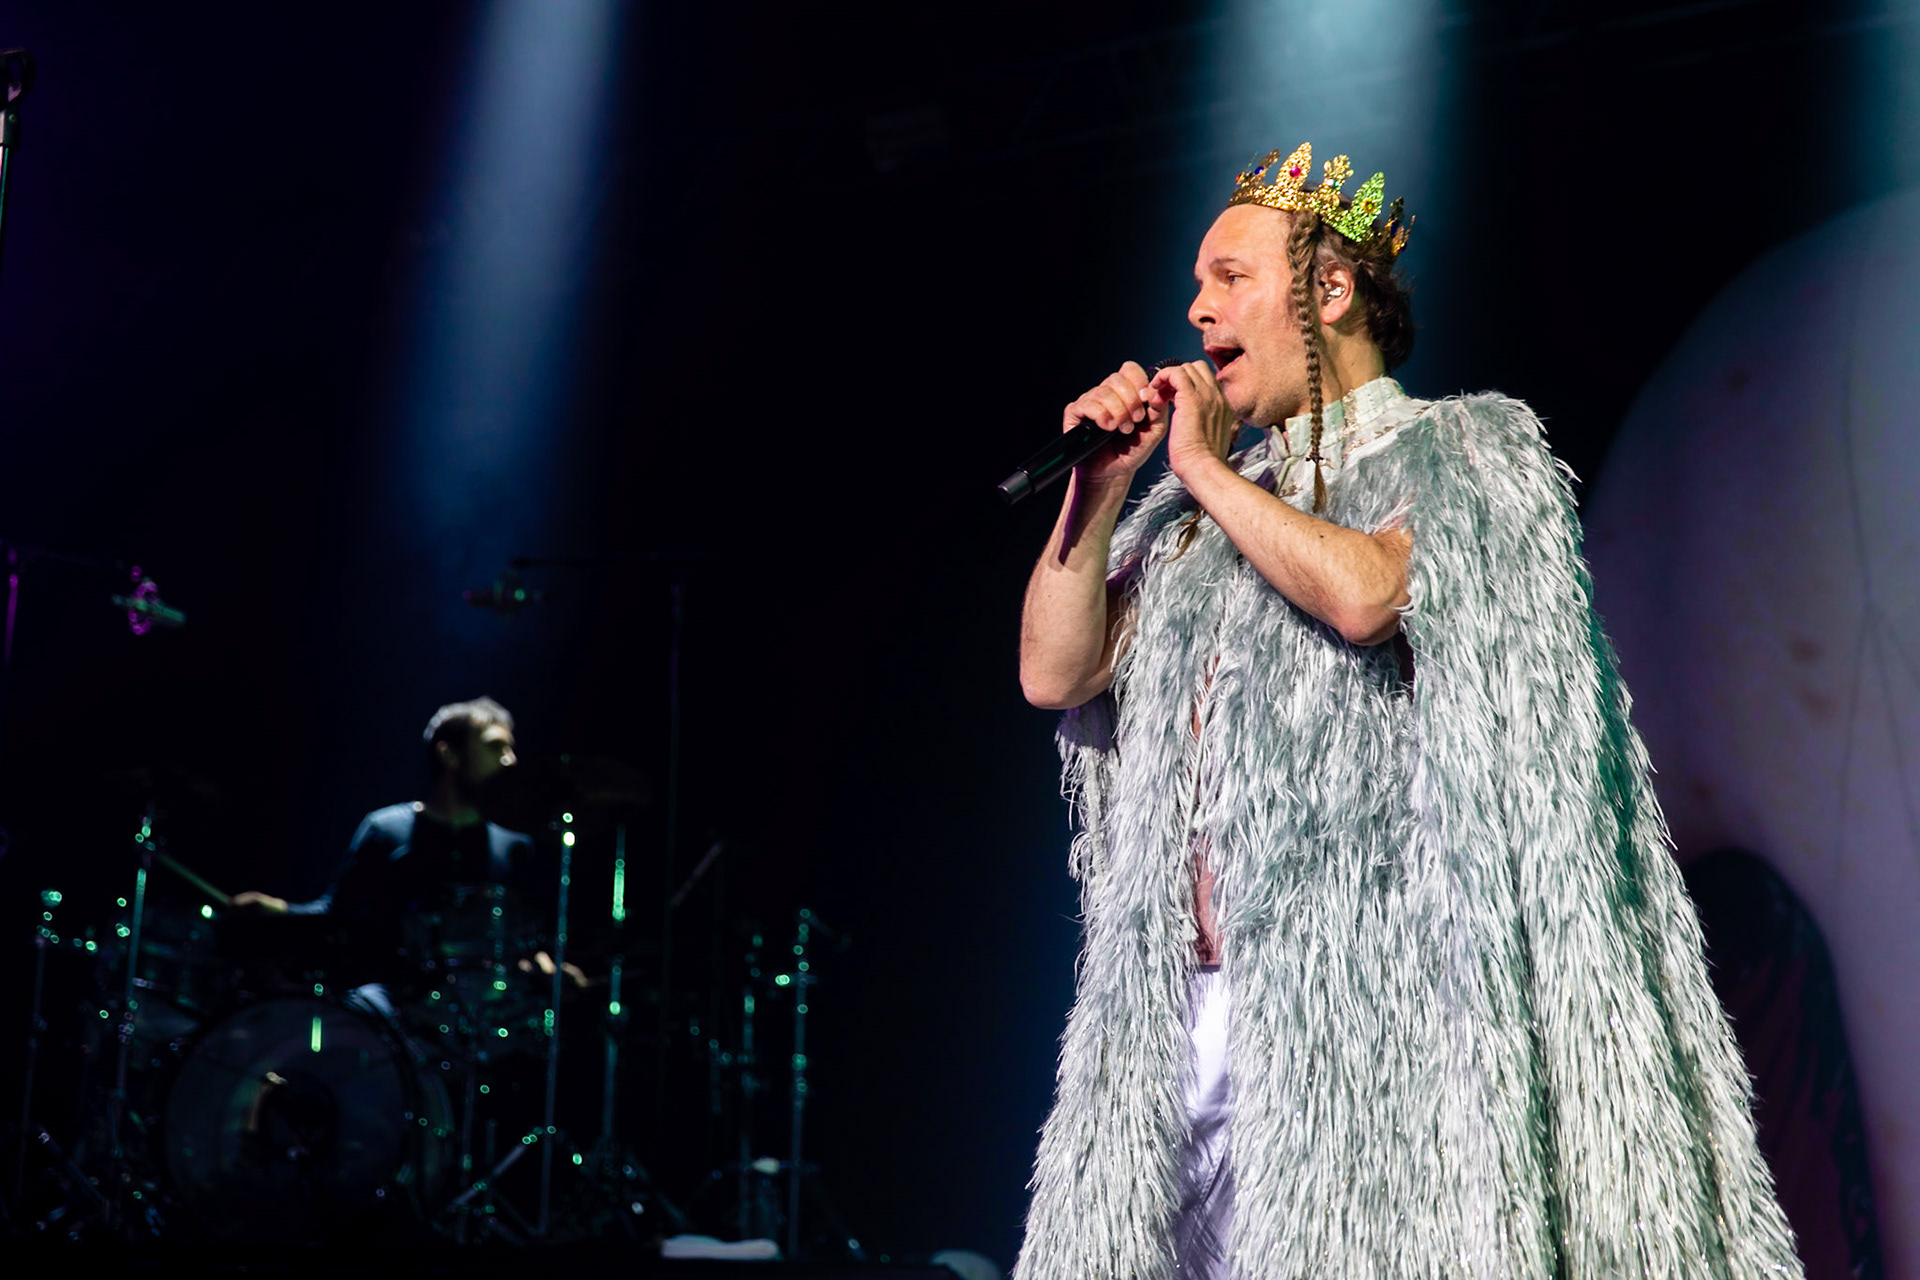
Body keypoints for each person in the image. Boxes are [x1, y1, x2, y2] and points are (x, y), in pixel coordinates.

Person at [1013, 143, 1800, 1277]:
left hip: (1357, 1023)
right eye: (1197, 282)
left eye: (1230, 277)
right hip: (1168, 1020)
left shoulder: (1463, 449)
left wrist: (1206, 471)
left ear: (1327, 291)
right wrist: (1098, 496)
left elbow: (1372, 592)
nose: (1195, 308)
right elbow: (1056, 670)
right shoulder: (1187, 524)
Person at [232, 697, 576, 989]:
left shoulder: (515, 845)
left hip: (482, 1013)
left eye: (511, 748)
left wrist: (544, 964)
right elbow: (338, 914)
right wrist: (280, 911)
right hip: (393, 1000)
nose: (509, 760)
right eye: (494, 746)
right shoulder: (387, 829)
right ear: (449, 755)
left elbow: (522, 938)